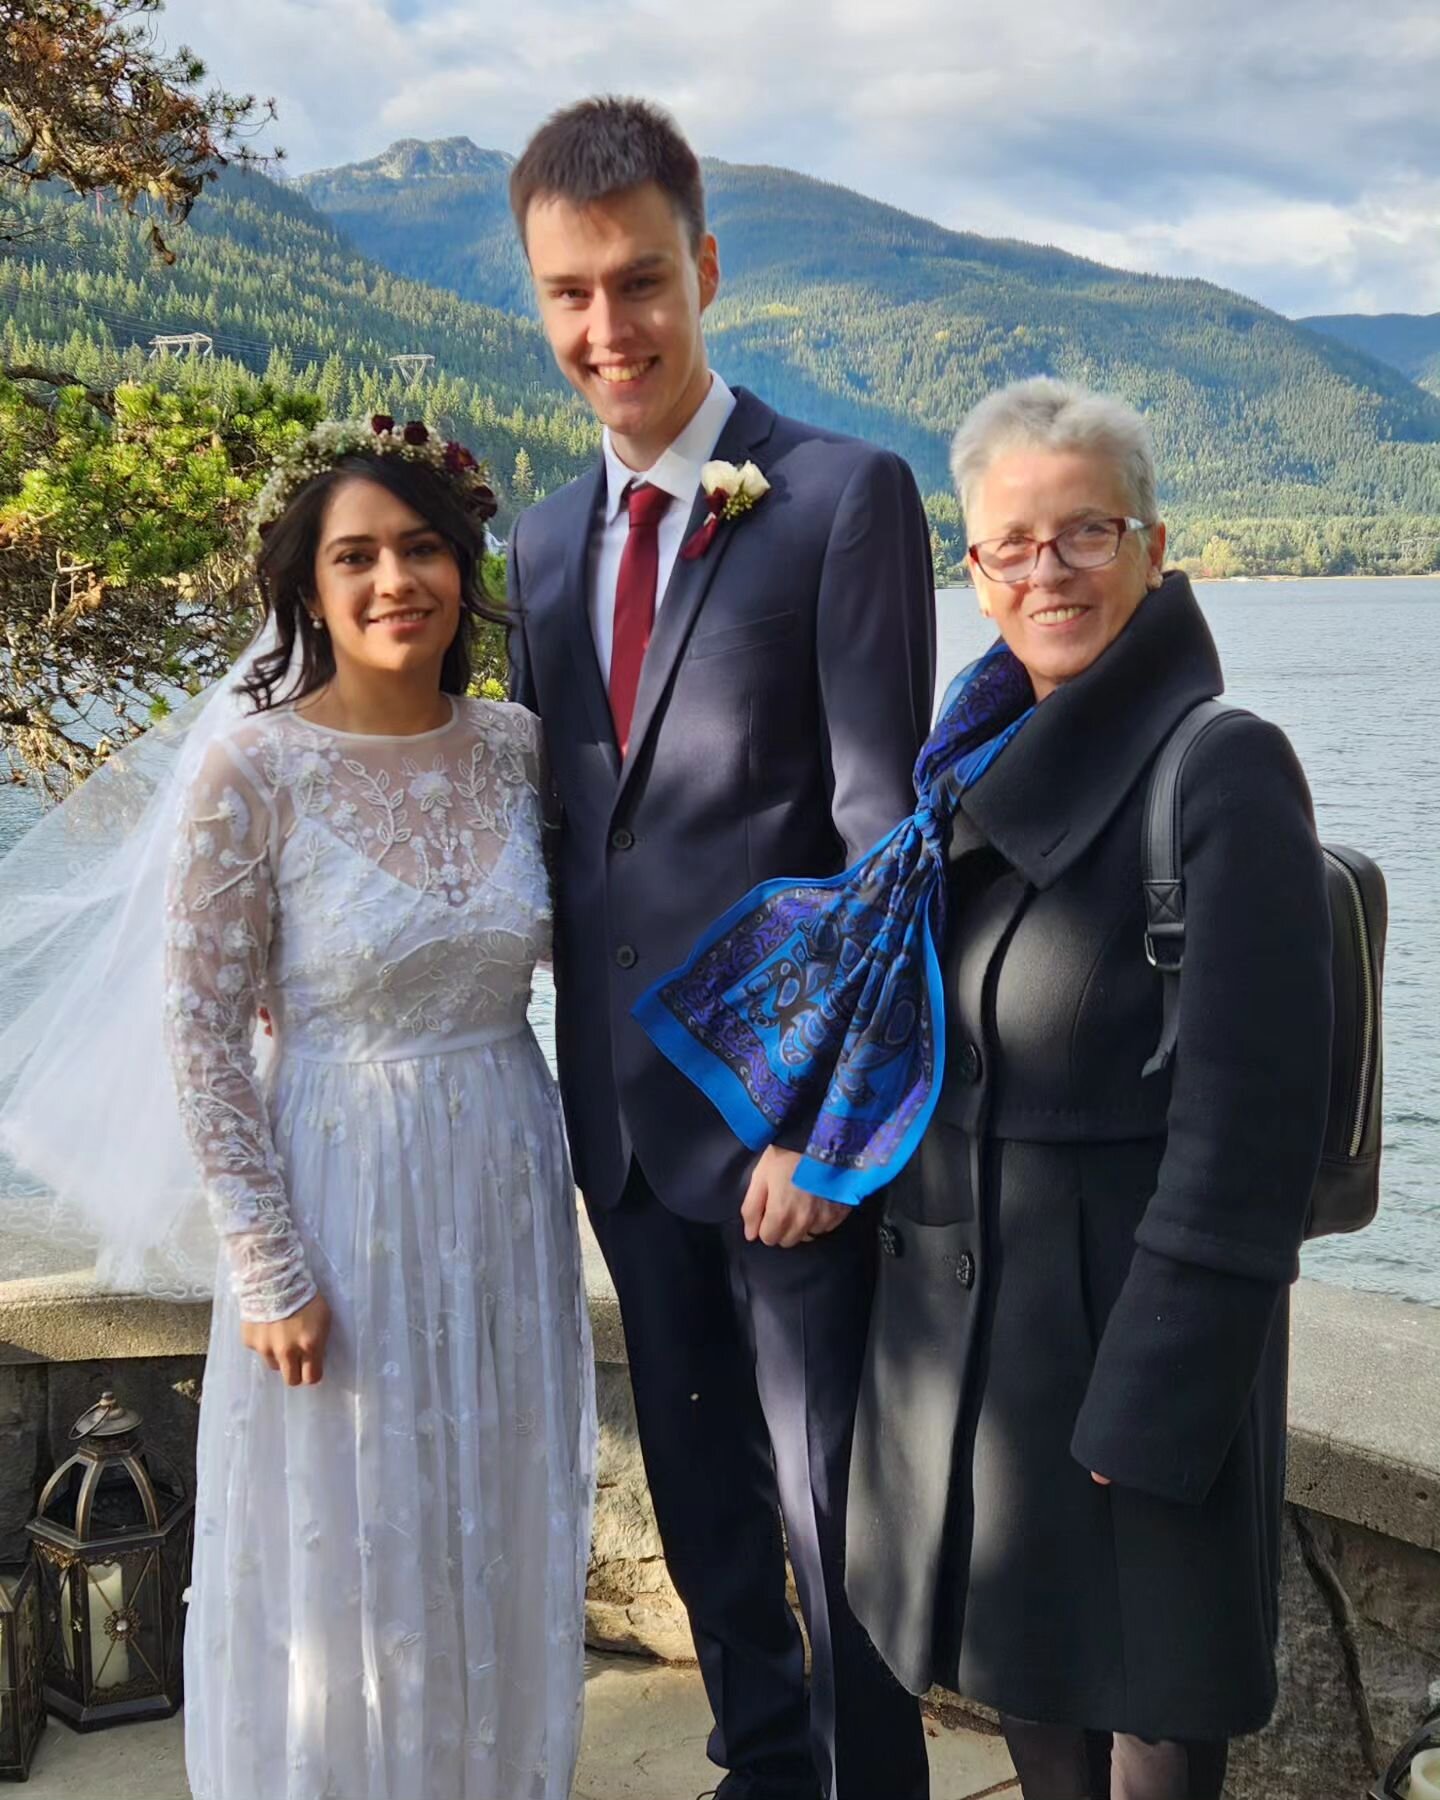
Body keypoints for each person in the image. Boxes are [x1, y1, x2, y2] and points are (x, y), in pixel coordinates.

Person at [637, 378, 1334, 1800]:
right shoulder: (972, 757)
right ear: (972, 566)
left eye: (1086, 533)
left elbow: (1250, 1136)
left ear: (1154, 543)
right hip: (976, 1376)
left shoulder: (1223, 767)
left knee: (1146, 1756)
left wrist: (1149, 1414)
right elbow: (915, 1025)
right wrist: (820, 1148)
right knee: (1038, 1733)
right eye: (1011, 544)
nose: (1046, 572)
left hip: (1128, 1373)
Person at [0, 418, 595, 1800]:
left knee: (490, 1513)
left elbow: (595, 943)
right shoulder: (255, 769)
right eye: (359, 556)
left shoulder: (518, 749)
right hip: (342, 1186)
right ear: (311, 591)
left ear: (465, 570)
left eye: (424, 549)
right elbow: (201, 1031)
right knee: (357, 1543)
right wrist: (266, 1264)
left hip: (504, 1172)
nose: (399, 580)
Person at [505, 97, 934, 1800]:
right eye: (568, 296)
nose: (607, 331)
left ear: (706, 268)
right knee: (700, 1515)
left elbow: (879, 839)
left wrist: (825, 1134)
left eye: (639, 283)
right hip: (619, 1127)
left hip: (781, 1145)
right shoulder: (538, 546)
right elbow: (564, 838)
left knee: (836, 1532)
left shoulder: (840, 496)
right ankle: (760, 1777)